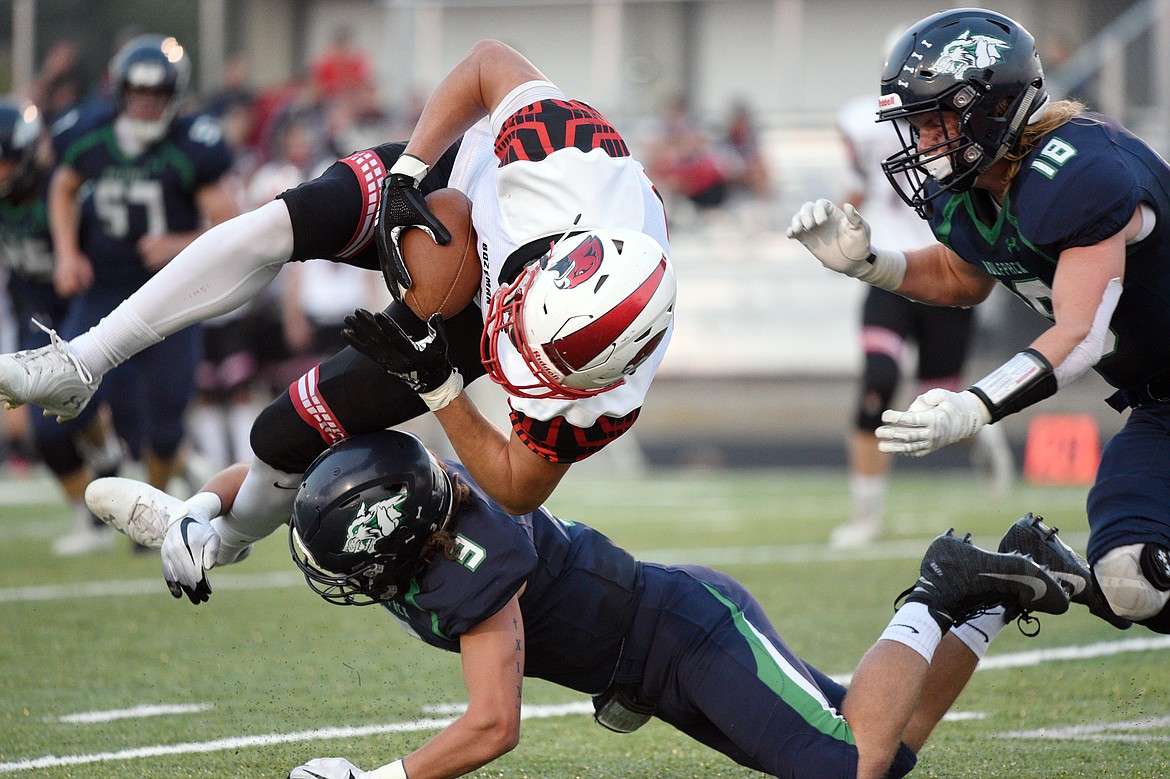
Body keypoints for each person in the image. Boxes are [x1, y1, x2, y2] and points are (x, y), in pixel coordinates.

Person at [0, 40, 675, 603]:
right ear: (557, 261)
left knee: (285, 431)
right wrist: (411, 169)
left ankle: (217, 536)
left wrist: (444, 391)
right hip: (459, 186)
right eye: (524, 318)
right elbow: (486, 64)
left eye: (532, 351)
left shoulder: (598, 398)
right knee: (278, 224)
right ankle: (79, 361)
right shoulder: (560, 159)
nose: (517, 337)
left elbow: (513, 485)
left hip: (461, 324)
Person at [85, 428, 1072, 779]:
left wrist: (376, 777)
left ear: (414, 540)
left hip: (687, 637)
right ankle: (988, 592)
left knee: (847, 771)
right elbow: (287, 474)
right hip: (649, 656)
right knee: (880, 752)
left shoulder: (479, 564)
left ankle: (939, 578)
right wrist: (206, 514)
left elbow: (492, 724)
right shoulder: (404, 489)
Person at [786, 7, 1169, 631]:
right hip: (1160, 403)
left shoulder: (1078, 169)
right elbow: (964, 274)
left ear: (991, 107)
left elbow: (1080, 333)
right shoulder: (975, 184)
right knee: (1130, 580)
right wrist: (872, 264)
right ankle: (1070, 575)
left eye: (936, 121)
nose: (924, 142)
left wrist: (974, 406)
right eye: (917, 123)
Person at [38, 34, 237, 548]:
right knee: (71, 391)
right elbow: (62, 186)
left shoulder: (193, 144)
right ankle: (107, 471)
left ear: (175, 93)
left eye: (157, 93)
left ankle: (153, 514)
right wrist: (67, 253)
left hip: (173, 290)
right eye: (138, 92)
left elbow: (231, 222)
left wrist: (179, 242)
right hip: (104, 286)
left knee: (167, 416)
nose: (147, 103)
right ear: (120, 90)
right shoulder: (89, 134)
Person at [830, 90, 1013, 548]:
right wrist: (834, 231)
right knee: (878, 380)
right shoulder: (862, 120)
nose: (924, 134)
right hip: (889, 270)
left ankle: (980, 432)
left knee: (937, 403)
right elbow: (854, 189)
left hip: (950, 273)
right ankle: (866, 515)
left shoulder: (979, 129)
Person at [0, 95, 128, 553]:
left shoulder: (67, 188)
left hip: (81, 307)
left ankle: (111, 455)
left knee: (73, 410)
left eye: (5, 161)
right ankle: (89, 517)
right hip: (34, 311)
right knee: (46, 429)